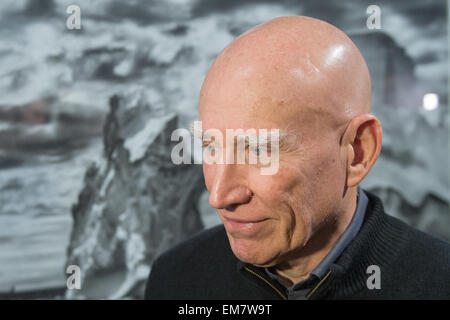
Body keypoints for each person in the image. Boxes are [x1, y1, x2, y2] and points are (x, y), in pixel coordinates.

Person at [144, 16, 450, 299]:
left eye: (260, 150)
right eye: (211, 147)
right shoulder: (175, 279)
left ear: (358, 152)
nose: (220, 196)